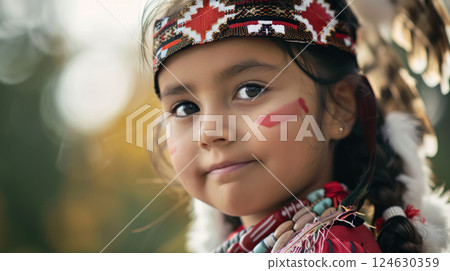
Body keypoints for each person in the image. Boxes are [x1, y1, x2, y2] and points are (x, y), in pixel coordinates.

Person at [142, 0, 450, 252]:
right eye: (185, 108)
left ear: (339, 108)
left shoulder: (335, 251)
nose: (209, 132)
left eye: (251, 90)